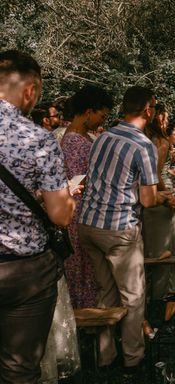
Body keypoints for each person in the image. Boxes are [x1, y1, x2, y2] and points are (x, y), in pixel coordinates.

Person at [77, 86, 175, 372]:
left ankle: (105, 356)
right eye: (154, 108)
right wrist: (164, 197)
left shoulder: (101, 138)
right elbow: (147, 199)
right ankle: (134, 357)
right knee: (133, 296)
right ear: (148, 110)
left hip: (88, 225)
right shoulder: (142, 145)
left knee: (106, 293)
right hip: (119, 229)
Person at [0, 50, 76, 384]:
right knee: (19, 369)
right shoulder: (38, 140)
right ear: (29, 90)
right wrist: (70, 196)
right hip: (23, 272)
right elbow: (59, 216)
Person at [60, 85, 114, 308]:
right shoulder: (73, 140)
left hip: (90, 209)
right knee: (84, 266)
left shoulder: (86, 136)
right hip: (79, 211)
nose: (102, 121)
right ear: (89, 111)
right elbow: (77, 180)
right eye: (102, 116)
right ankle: (88, 313)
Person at [143, 103, 175, 312]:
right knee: (164, 248)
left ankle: (148, 293)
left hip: (145, 197)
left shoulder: (142, 138)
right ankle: (164, 293)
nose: (166, 122)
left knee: (148, 247)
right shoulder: (161, 141)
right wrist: (168, 197)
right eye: (164, 118)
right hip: (160, 194)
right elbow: (155, 174)